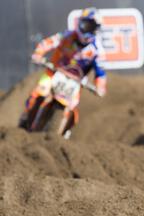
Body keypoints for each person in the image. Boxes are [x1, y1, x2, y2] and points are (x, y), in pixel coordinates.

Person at [19, 7, 107, 137]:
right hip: (54, 71)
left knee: (72, 108)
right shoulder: (68, 35)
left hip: (75, 82)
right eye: (84, 23)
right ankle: (24, 119)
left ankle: (64, 133)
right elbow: (49, 42)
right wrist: (38, 54)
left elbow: (100, 73)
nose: (85, 28)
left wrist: (100, 87)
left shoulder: (97, 51)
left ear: (96, 28)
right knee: (38, 93)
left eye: (89, 25)